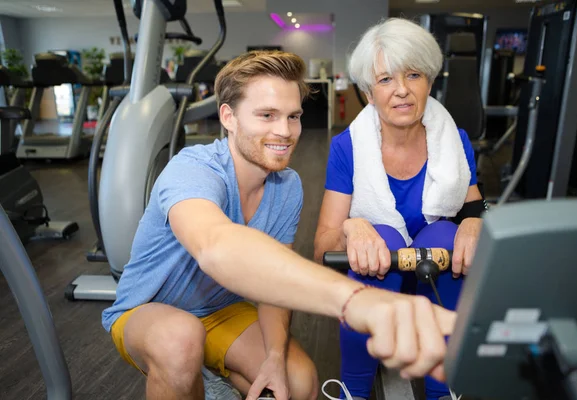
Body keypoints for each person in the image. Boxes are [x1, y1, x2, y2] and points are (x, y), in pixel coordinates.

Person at [101, 50, 456, 400]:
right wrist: (358, 302)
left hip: (221, 311)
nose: (284, 131)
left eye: (293, 116)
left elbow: (273, 286)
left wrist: (272, 357)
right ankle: (194, 374)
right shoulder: (193, 169)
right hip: (149, 313)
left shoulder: (287, 186)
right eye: (267, 115)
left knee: (298, 383)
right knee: (180, 339)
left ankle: (208, 379)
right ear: (228, 116)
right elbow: (215, 246)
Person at [314, 18, 486, 400]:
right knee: (383, 235)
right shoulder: (348, 147)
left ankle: (445, 391)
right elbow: (322, 248)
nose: (402, 91)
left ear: (429, 81)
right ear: (369, 92)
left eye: (413, 75)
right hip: (376, 277)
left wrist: (475, 223)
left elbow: (475, 206)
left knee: (448, 233)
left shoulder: (454, 141)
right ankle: (352, 390)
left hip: (434, 274)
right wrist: (352, 227)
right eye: (386, 79)